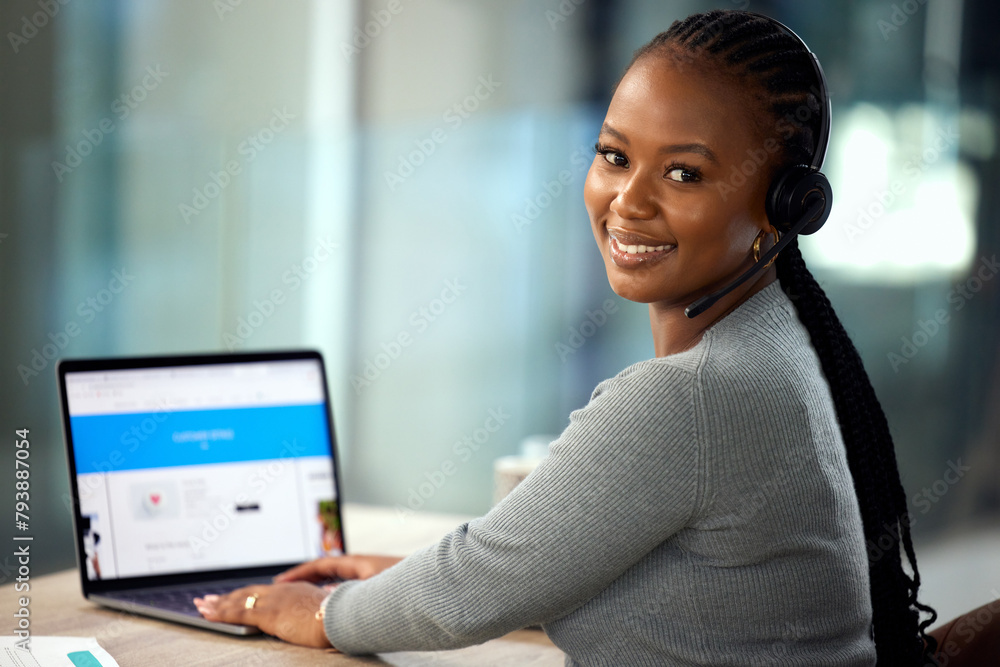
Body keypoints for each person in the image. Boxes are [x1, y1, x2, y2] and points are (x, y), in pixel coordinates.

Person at [195, 9, 938, 665]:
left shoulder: (691, 395)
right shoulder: (782, 339)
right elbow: (545, 566)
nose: (628, 201)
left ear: (786, 205)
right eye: (614, 155)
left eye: (683, 172)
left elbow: (474, 586)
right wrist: (406, 578)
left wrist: (313, 612)